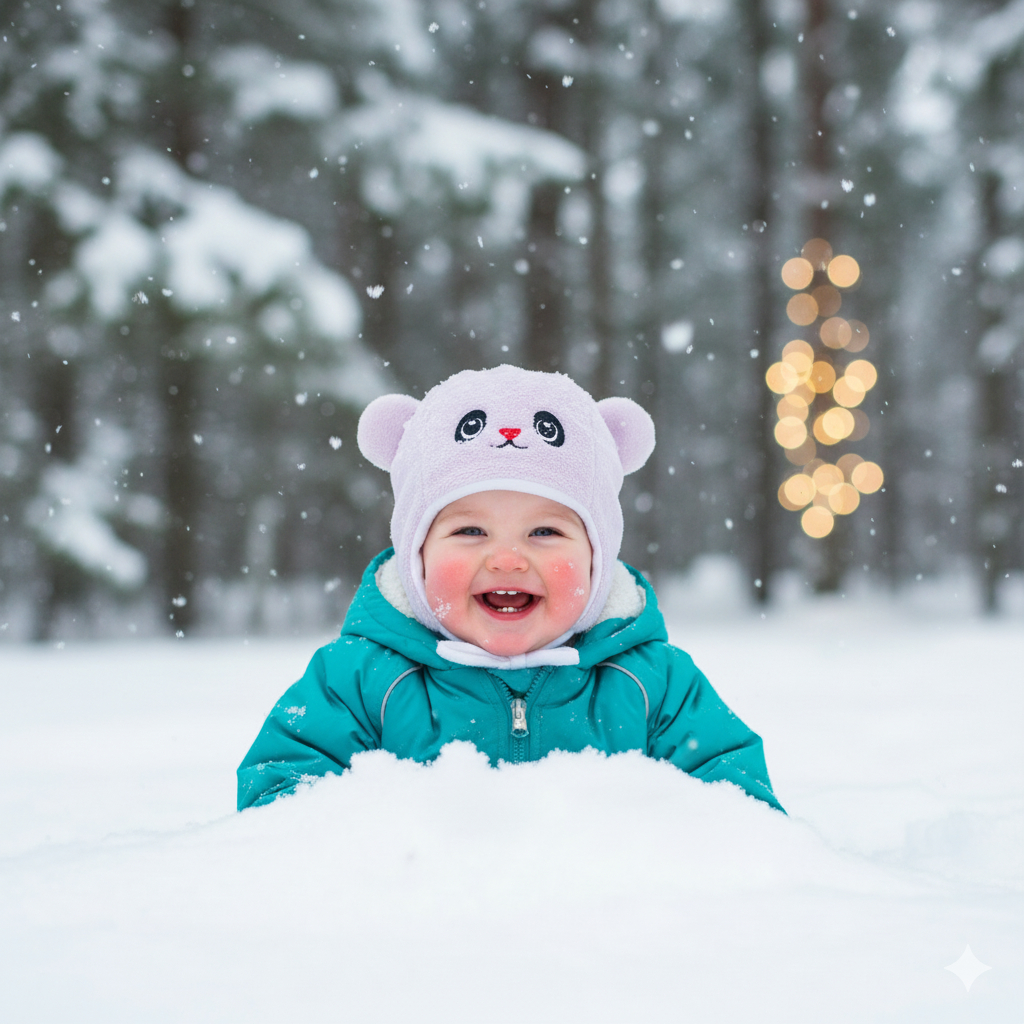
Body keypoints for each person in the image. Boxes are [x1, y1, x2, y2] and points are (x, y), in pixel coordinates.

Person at [237, 365, 783, 812]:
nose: (506, 559)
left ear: (598, 557)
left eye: (545, 532)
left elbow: (740, 816)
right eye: (469, 531)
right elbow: (280, 808)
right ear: (415, 555)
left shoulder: (654, 686)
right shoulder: (359, 680)